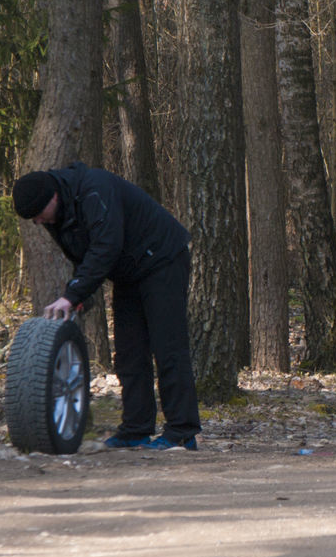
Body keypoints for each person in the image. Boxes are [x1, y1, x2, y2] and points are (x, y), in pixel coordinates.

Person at [12, 163, 201, 451]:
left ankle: (182, 432)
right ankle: (135, 430)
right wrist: (81, 297)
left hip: (163, 258)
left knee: (168, 347)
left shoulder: (94, 190)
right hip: (128, 271)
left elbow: (106, 246)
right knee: (129, 353)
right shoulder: (56, 216)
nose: (38, 222)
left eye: (38, 215)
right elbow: (83, 255)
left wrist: (73, 293)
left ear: (51, 198)